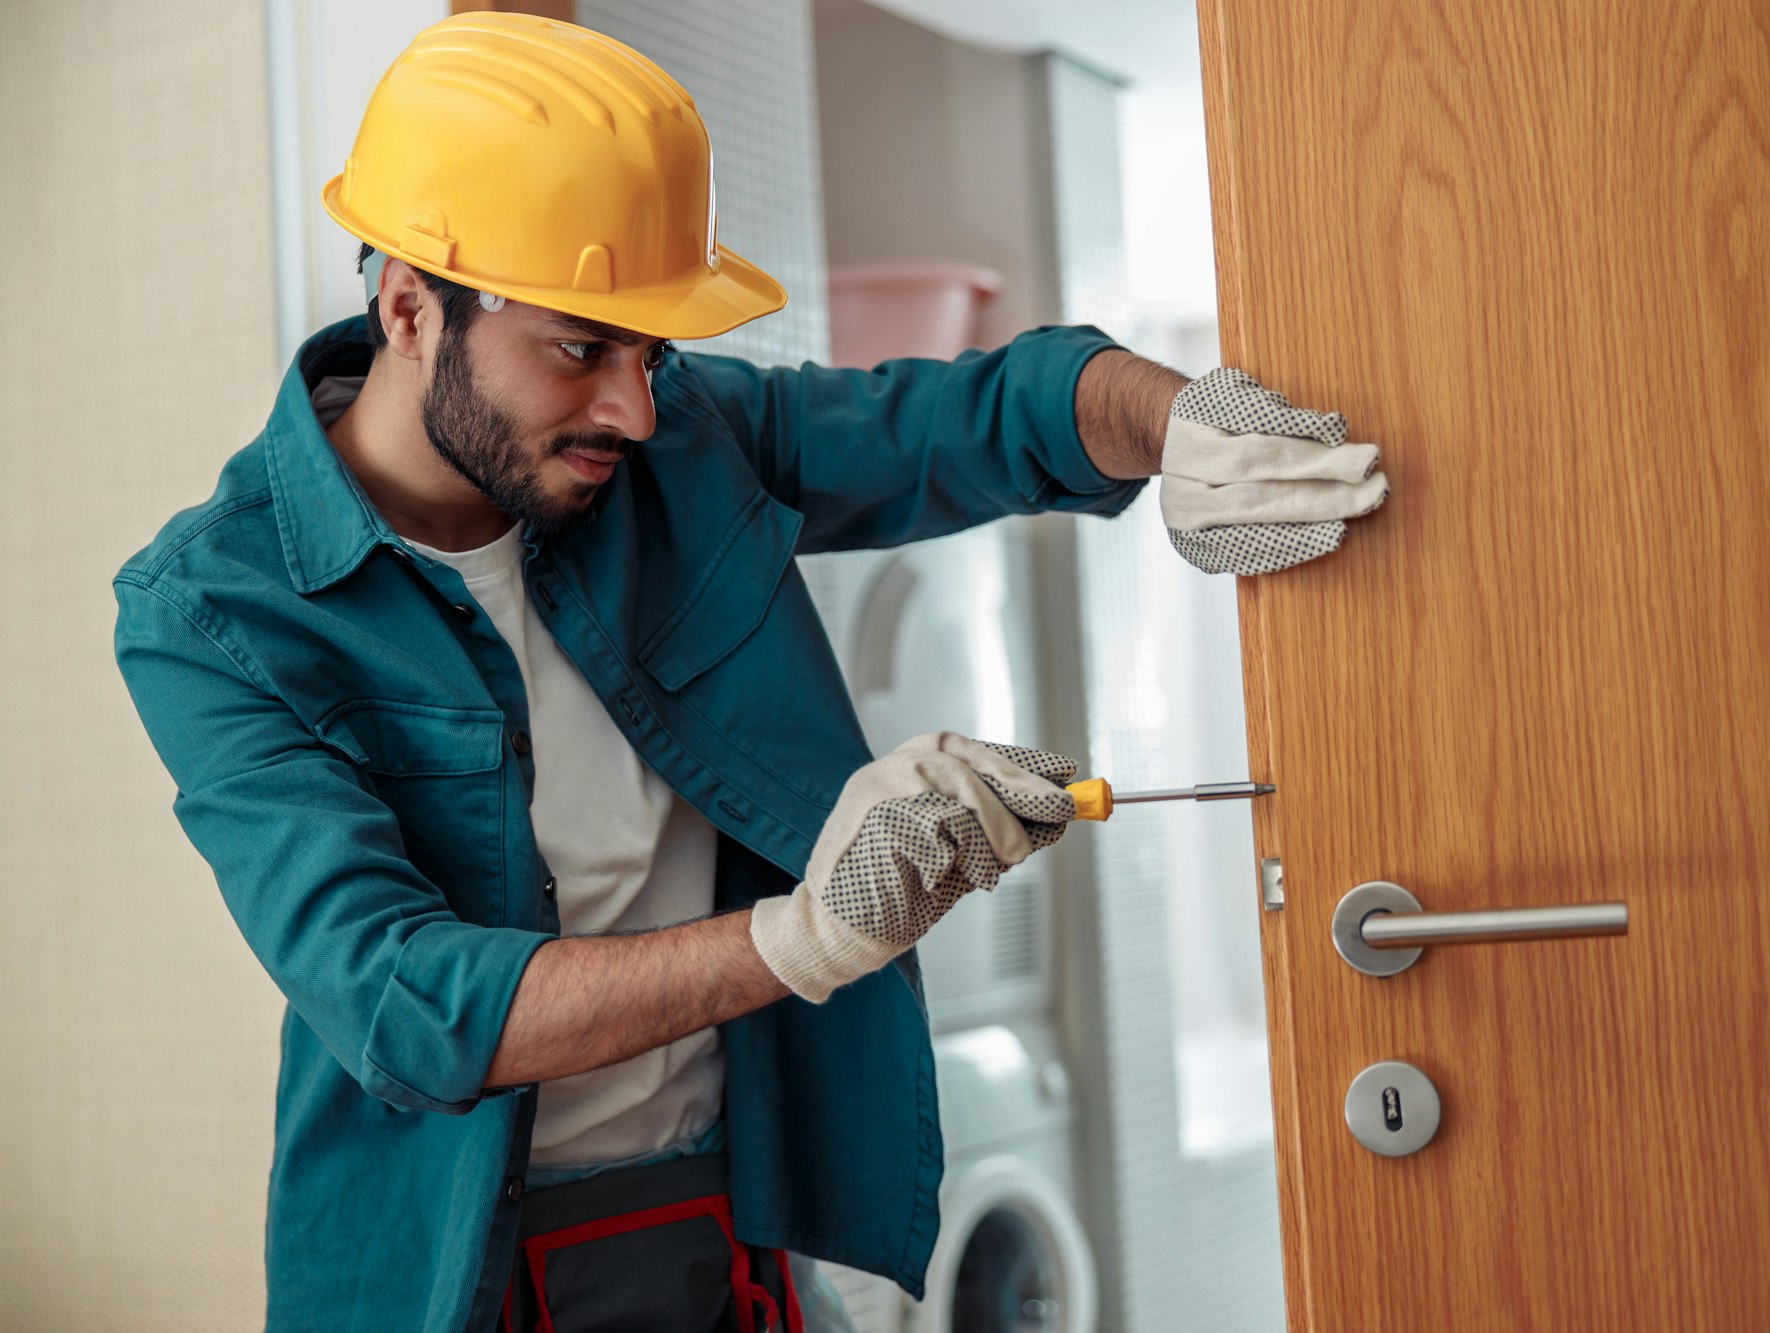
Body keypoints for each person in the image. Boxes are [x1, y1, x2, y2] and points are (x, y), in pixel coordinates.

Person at [110, 13, 1387, 1333]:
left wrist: (1176, 423)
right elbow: (405, 998)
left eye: (651, 352)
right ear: (408, 306)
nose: (638, 409)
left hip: (728, 1231)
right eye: (580, 347)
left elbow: (962, 418)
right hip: (446, 1283)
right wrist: (806, 936)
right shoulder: (213, 610)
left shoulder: (681, 442)